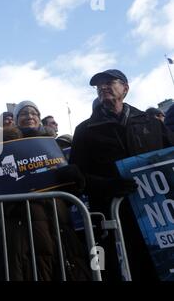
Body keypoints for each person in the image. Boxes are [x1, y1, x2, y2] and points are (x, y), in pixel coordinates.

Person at [69, 69, 174, 281]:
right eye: (99, 85)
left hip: (158, 217)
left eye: (110, 82)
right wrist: (107, 185)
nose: (103, 87)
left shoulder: (152, 124)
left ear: (125, 88)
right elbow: (76, 176)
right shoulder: (85, 131)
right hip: (115, 218)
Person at [0, 101, 89, 281]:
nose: (29, 116)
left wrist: (74, 180)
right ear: (17, 120)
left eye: (34, 113)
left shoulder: (53, 147)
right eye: (24, 113)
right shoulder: (2, 150)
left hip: (58, 223)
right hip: (22, 229)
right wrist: (14, 205)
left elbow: (70, 193)